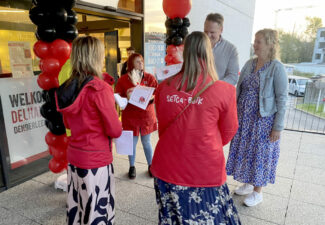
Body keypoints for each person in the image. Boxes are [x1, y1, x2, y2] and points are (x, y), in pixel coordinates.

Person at [150, 32, 241, 225]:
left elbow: (163, 125)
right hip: (205, 169)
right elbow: (228, 132)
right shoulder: (224, 90)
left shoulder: (164, 87)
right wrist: (204, 141)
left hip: (167, 167)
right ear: (209, 53)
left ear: (186, 52)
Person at [55, 36, 122, 224]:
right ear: (95, 56)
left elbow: (68, 125)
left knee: (79, 210)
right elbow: (115, 130)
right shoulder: (100, 88)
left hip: (75, 158)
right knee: (97, 213)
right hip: (96, 159)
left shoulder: (67, 87)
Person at [226, 29, 288, 207]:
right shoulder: (250, 63)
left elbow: (282, 99)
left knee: (260, 154)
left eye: (259, 41)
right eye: (255, 41)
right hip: (244, 120)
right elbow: (239, 88)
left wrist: (278, 127)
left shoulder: (277, 67)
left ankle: (258, 192)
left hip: (263, 121)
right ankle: (247, 183)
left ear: (270, 44)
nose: (255, 44)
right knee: (246, 151)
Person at [115, 53, 158, 179]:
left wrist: (149, 98)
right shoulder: (123, 79)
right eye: (137, 61)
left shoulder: (149, 77)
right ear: (131, 64)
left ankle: (151, 166)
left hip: (146, 115)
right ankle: (132, 166)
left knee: (147, 142)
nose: (141, 64)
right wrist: (126, 97)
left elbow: (156, 92)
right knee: (131, 144)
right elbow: (118, 95)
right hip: (130, 116)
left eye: (142, 61)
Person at [204, 13, 239, 85]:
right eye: (205, 31)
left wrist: (215, 85)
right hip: (195, 91)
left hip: (216, 93)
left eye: (212, 32)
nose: (208, 35)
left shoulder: (231, 50)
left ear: (221, 30)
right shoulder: (197, 44)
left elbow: (233, 77)